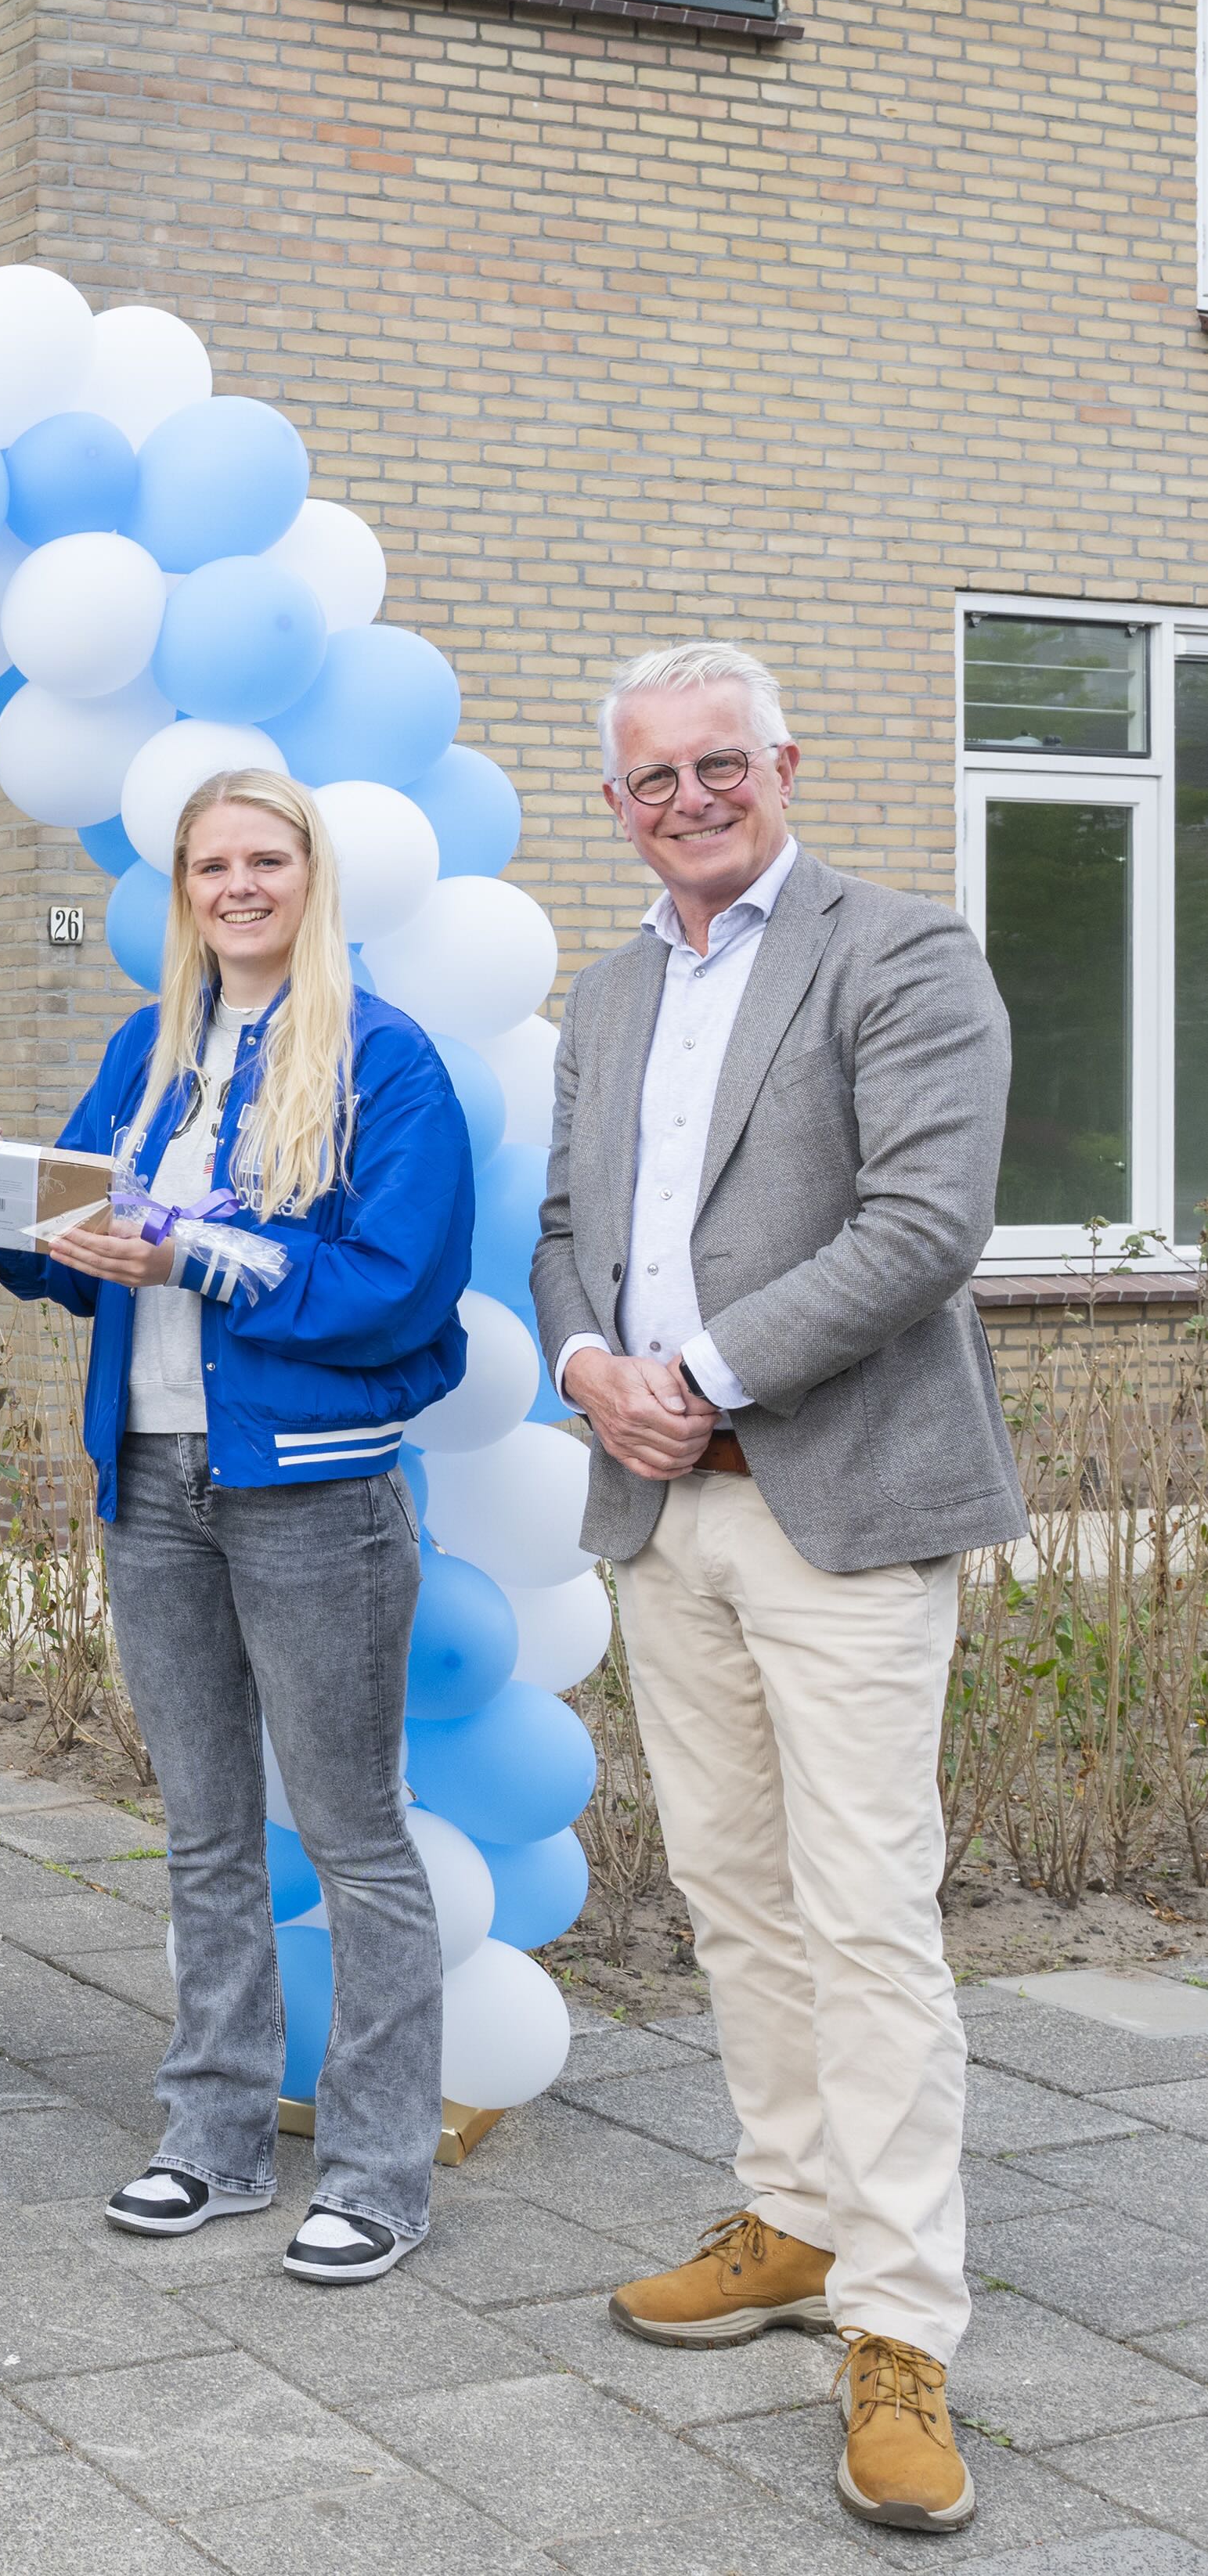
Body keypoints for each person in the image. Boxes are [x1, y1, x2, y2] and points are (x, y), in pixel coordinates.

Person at [532, 642, 1018, 2537]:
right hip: (667, 1511)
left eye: (718, 763)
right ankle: (795, 2215)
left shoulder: (901, 952)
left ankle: (900, 2327)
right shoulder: (611, 989)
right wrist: (592, 1367)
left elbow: (925, 1222)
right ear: (617, 806)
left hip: (841, 1504)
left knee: (868, 1914)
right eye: (653, 778)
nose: (690, 798)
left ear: (784, 763)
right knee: (735, 1891)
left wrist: (700, 1372)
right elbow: (564, 1227)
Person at [0, 767, 473, 2286]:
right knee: (202, 1833)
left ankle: (379, 2173)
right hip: (154, 1479)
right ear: (184, 889)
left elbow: (399, 1281)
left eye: (267, 858)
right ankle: (215, 2136)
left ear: (312, 876)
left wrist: (187, 1249)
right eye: (212, 864)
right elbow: (80, 1247)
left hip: (314, 1489)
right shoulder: (147, 1049)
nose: (239, 885)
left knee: (353, 1838)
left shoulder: (386, 1057)